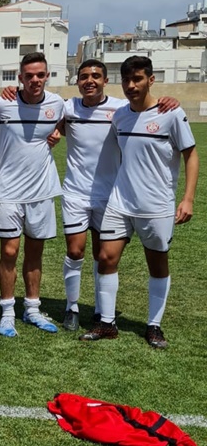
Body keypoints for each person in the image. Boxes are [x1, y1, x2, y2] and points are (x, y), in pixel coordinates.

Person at [38, 60, 179, 332]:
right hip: (75, 192)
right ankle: (72, 307)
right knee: (74, 251)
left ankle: (101, 310)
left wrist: (168, 100)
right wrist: (55, 131)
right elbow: (53, 119)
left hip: (111, 195)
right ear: (77, 82)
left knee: (102, 255)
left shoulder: (120, 109)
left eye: (95, 76)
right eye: (83, 76)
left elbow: (146, 110)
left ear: (105, 80)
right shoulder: (69, 108)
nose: (89, 81)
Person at [80, 56, 198, 349]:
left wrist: (187, 199)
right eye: (127, 80)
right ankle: (107, 323)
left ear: (151, 80)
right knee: (106, 258)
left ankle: (154, 325)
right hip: (120, 201)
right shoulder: (120, 116)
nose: (131, 85)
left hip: (156, 206)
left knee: (157, 264)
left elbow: (191, 155)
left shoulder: (171, 113)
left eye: (138, 79)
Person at [0, 52, 64, 338]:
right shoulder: (3, 104)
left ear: (47, 76)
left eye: (40, 75)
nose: (35, 80)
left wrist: (58, 132)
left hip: (42, 191)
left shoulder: (57, 104)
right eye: (29, 75)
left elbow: (69, 121)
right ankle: (7, 311)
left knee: (35, 253)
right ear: (20, 78)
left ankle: (32, 308)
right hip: (8, 191)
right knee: (9, 252)